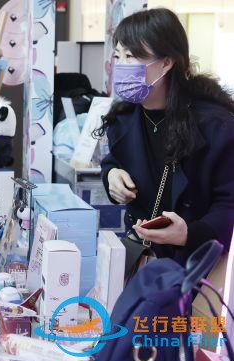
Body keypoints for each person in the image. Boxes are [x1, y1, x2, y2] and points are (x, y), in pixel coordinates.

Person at [96, 8, 234, 266]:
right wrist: (111, 176)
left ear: (167, 62)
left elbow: (229, 204)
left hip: (200, 267)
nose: (122, 66)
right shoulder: (123, 117)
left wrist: (188, 234)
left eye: (133, 56)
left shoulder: (216, 125)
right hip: (142, 261)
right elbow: (114, 161)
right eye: (119, 56)